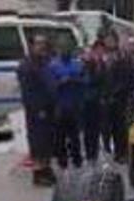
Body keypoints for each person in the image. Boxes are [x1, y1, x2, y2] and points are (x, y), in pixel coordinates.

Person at [18, 33, 57, 186]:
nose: (42, 46)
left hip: (49, 108)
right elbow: (28, 92)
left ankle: (46, 169)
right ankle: (39, 173)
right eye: (38, 43)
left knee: (47, 141)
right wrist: (38, 108)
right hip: (37, 110)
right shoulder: (27, 66)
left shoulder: (45, 62)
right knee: (38, 142)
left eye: (43, 43)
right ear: (31, 46)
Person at [49, 35, 86, 169]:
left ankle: (77, 160)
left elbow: (85, 81)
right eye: (62, 47)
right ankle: (62, 161)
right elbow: (50, 86)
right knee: (60, 137)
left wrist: (74, 80)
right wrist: (61, 82)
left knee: (75, 136)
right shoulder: (53, 65)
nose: (65, 50)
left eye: (67, 47)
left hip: (74, 105)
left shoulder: (77, 64)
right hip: (59, 106)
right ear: (58, 49)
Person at [100, 30, 134, 163]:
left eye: (111, 39)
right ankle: (109, 149)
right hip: (105, 98)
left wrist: (117, 92)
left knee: (120, 126)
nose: (109, 42)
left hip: (120, 98)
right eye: (107, 39)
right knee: (107, 126)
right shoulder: (102, 56)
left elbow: (127, 78)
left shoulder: (123, 56)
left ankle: (122, 152)